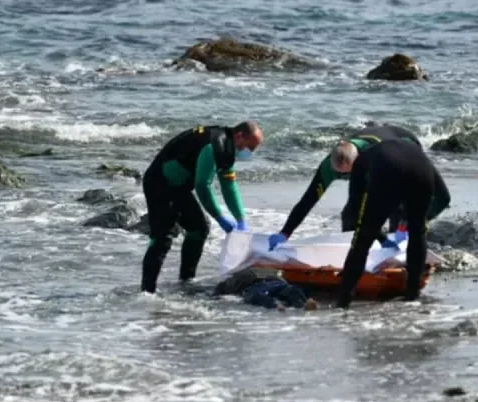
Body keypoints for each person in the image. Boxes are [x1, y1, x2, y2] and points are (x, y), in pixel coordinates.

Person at [140, 121, 263, 294]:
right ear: (239, 135)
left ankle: (185, 282)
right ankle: (147, 292)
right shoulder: (214, 145)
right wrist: (220, 218)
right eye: (250, 147)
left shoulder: (227, 148)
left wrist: (241, 219)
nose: (249, 153)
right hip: (160, 183)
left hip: (179, 188)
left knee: (199, 229)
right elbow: (202, 186)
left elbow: (228, 186)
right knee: (162, 238)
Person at [267, 124, 428, 251]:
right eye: (341, 175)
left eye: (350, 173)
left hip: (405, 146)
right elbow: (308, 201)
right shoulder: (328, 166)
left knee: (394, 210)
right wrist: (285, 233)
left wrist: (401, 226)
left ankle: (402, 253)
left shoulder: (378, 158)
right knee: (350, 214)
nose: (348, 178)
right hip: (369, 155)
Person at [333, 137, 451, 308]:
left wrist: (376, 234)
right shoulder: (410, 150)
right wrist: (413, 218)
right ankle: (412, 295)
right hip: (423, 171)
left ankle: (343, 300)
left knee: (362, 239)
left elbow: (354, 208)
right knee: (418, 233)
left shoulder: (361, 162)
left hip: (389, 172)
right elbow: (444, 196)